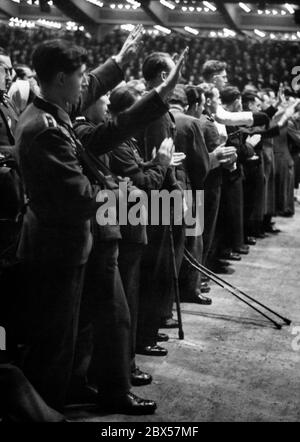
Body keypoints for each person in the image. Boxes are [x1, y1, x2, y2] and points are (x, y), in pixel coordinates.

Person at [14, 27, 150, 413]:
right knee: (55, 342)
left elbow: (90, 85)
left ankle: (59, 397)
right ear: (61, 79)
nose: (84, 88)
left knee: (67, 335)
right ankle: (45, 410)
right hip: (58, 245)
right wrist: (118, 194)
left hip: (62, 242)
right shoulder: (44, 129)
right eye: (78, 77)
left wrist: (120, 61)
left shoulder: (49, 110)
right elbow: (78, 199)